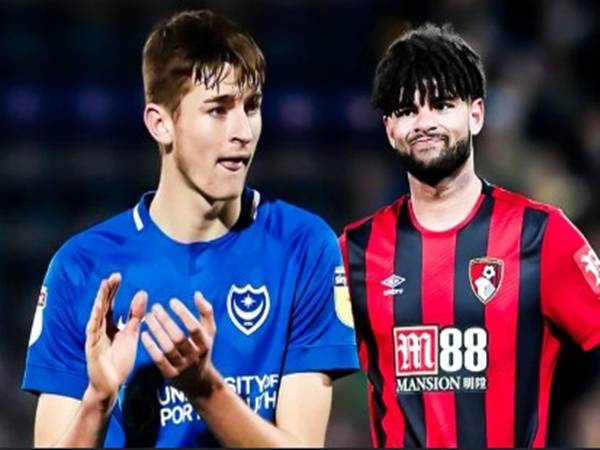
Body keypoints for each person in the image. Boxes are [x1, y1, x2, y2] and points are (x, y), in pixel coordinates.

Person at [22, 9, 358, 447]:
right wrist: (98, 401)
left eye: (252, 107)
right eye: (218, 110)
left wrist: (205, 390)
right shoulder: (80, 267)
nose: (243, 131)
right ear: (160, 123)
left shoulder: (304, 247)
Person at [339, 23, 600, 448]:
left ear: (476, 114)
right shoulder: (354, 251)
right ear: (389, 128)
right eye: (406, 111)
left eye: (441, 105)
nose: (424, 123)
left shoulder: (542, 235)